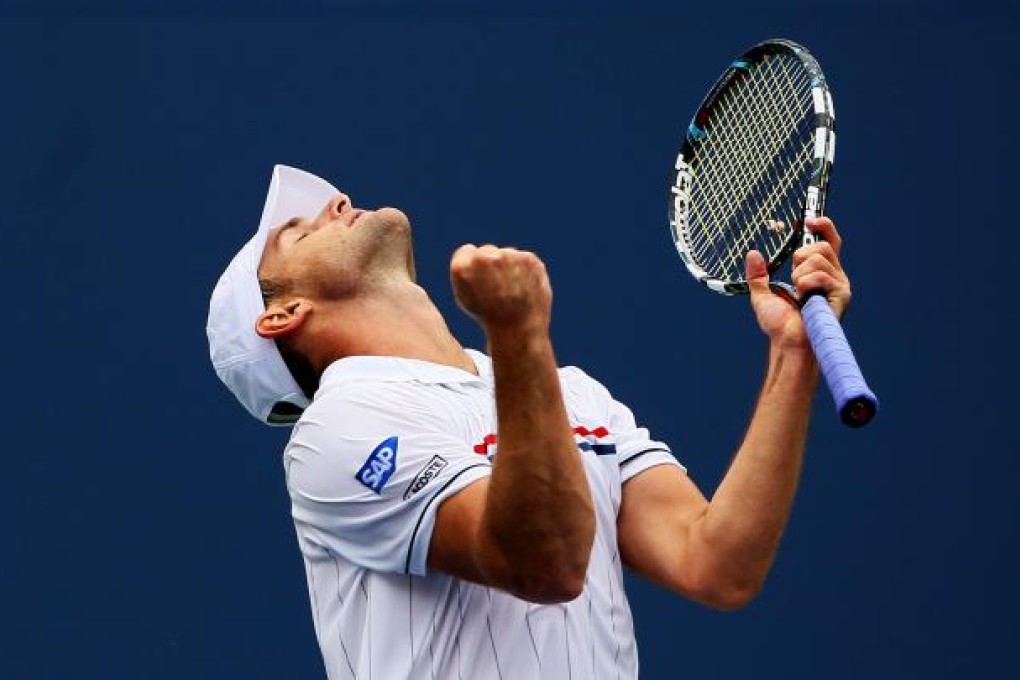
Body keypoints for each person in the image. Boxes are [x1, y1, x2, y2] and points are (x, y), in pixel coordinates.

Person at [207, 165, 852, 679]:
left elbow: (715, 562)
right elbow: (545, 564)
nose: (339, 201)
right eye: (299, 230)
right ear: (283, 313)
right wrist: (519, 335)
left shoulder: (569, 391)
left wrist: (791, 358)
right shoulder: (333, 431)